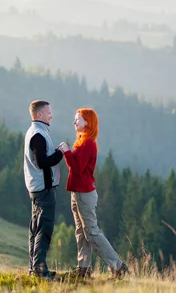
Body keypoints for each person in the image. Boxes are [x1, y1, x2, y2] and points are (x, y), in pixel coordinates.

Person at [58, 108, 129, 280]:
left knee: (91, 232)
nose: (74, 122)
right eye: (75, 119)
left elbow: (77, 168)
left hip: (84, 194)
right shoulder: (83, 141)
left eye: (78, 119)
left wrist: (66, 151)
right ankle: (83, 269)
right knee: (81, 232)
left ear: (87, 123)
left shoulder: (88, 143)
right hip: (77, 192)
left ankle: (118, 267)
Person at [24, 100, 64, 279]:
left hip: (37, 188)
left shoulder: (35, 132)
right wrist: (60, 153)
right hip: (43, 190)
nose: (51, 115)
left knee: (35, 228)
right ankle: (40, 271)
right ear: (39, 114)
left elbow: (41, 157)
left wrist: (54, 152)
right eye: (49, 112)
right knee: (43, 229)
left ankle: (34, 268)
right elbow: (42, 162)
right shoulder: (38, 135)